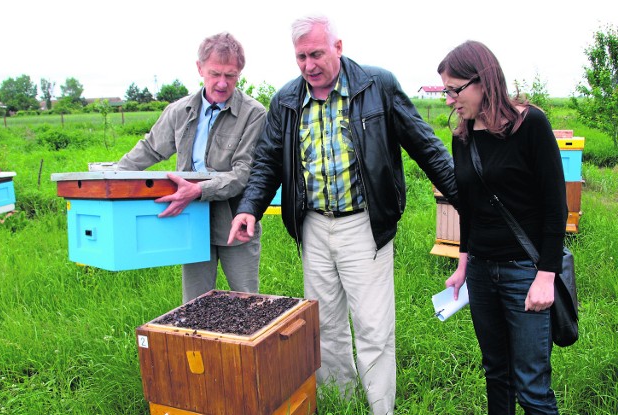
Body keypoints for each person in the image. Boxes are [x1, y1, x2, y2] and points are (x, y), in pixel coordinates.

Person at [228, 14, 458, 415]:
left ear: (337, 46)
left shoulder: (376, 85)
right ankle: (343, 403)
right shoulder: (285, 100)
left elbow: (424, 144)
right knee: (326, 327)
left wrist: (464, 195)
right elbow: (266, 161)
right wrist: (250, 208)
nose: (308, 65)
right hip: (312, 226)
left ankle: (380, 408)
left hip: (363, 224)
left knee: (373, 327)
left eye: (316, 53)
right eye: (300, 57)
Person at [439, 40, 567, 414]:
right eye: (446, 90)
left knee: (531, 386)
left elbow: (554, 206)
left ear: (484, 81)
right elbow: (469, 207)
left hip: (524, 273)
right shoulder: (463, 136)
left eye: (454, 89)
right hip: (480, 271)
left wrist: (546, 275)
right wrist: (463, 264)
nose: (449, 100)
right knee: (496, 373)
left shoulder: (531, 126)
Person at [117, 32, 266, 304]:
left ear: (240, 73)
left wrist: (197, 190)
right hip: (191, 220)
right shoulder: (180, 111)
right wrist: (111, 178)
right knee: (195, 304)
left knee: (247, 302)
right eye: (215, 73)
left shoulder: (253, 114)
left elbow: (243, 172)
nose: (222, 83)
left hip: (235, 220)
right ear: (200, 69)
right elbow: (150, 149)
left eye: (231, 76)